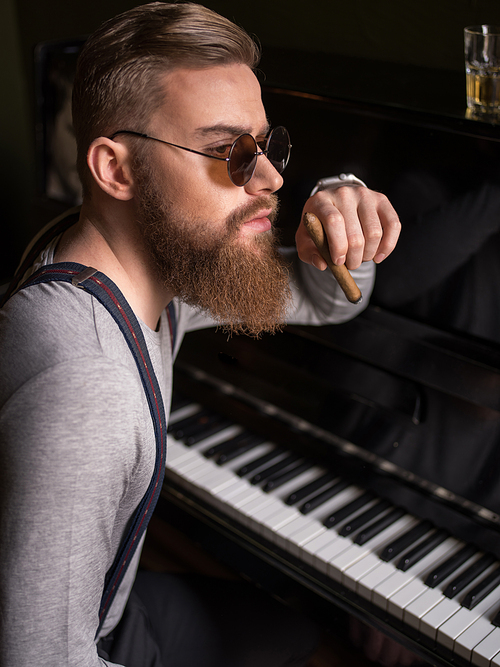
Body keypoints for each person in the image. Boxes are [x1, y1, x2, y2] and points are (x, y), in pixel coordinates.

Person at [0, 3, 401, 666]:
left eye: (267, 146)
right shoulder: (88, 390)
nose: (272, 181)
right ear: (116, 169)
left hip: (114, 608)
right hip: (88, 643)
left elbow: (325, 300)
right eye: (227, 153)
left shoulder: (124, 265)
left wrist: (342, 197)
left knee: (301, 635)